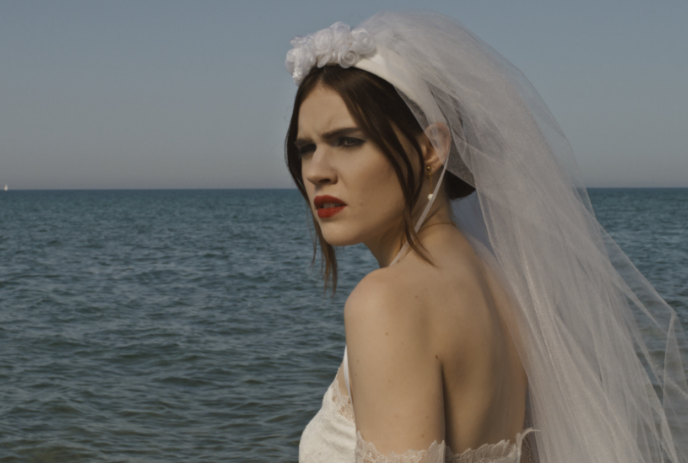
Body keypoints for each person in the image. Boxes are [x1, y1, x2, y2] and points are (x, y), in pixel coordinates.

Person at [283, 11, 688, 463]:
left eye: (347, 141)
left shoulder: (387, 301)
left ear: (431, 148)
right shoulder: (504, 284)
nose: (317, 171)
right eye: (306, 148)